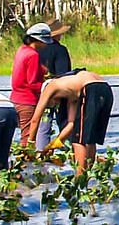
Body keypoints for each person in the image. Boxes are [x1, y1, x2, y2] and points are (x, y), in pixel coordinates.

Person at [27, 70, 113, 175]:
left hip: (90, 88)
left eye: (51, 104)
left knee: (77, 139)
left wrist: (30, 146)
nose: (54, 105)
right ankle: (88, 175)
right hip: (106, 89)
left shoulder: (49, 87)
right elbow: (72, 123)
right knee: (90, 138)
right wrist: (55, 143)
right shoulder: (72, 93)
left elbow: (35, 119)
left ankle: (79, 177)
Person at [10, 23, 49, 145]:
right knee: (28, 137)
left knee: (20, 134)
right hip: (27, 101)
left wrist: (42, 70)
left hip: (15, 99)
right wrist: (49, 88)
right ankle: (26, 162)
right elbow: (32, 83)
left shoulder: (22, 50)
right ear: (37, 40)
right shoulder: (33, 55)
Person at [35, 19, 72, 148]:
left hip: (40, 91)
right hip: (58, 91)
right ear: (56, 35)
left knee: (43, 125)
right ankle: (72, 151)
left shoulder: (36, 49)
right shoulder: (60, 50)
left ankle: (41, 153)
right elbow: (64, 73)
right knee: (65, 121)